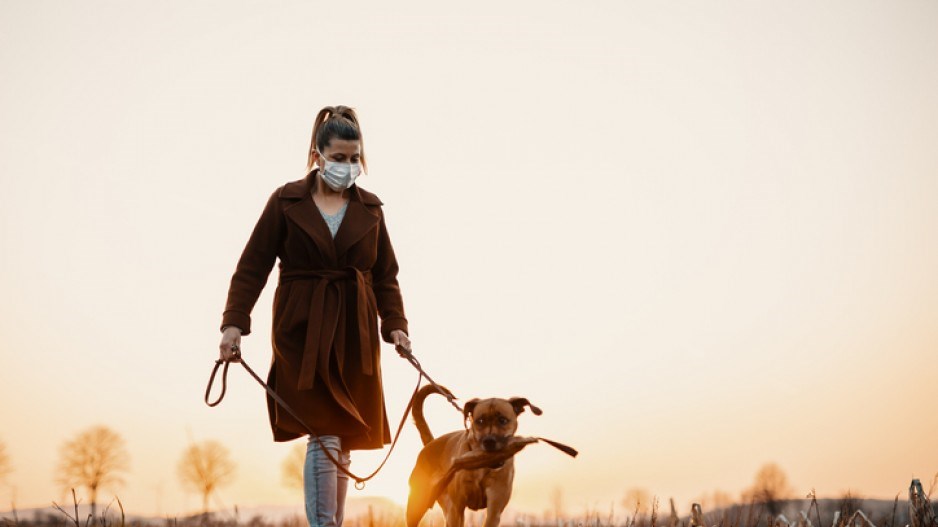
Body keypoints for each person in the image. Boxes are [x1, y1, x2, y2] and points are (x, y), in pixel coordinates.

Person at [217, 105, 412, 527]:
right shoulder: (286, 201)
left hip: (355, 335)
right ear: (317, 154)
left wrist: (396, 327)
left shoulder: (372, 209)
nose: (347, 166)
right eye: (338, 157)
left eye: (353, 157)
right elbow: (252, 266)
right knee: (323, 431)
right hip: (302, 332)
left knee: (341, 437)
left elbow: (385, 276)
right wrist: (234, 323)